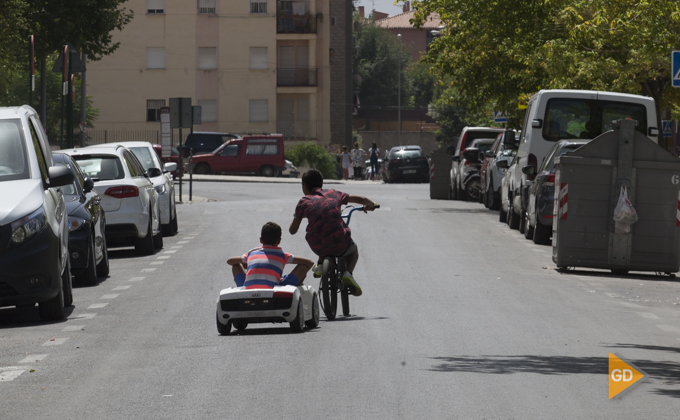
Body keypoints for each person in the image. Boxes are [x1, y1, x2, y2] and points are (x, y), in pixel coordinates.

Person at [289, 169, 377, 296]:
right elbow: (361, 198)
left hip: (317, 245)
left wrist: (301, 215)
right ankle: (348, 273)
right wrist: (372, 204)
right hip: (339, 243)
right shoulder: (334, 193)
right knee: (354, 250)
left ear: (304, 186)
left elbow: (292, 231)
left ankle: (320, 264)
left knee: (319, 233)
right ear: (321, 184)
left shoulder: (303, 202)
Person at [227, 222, 314, 289]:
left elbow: (229, 261)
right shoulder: (282, 255)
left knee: (236, 264)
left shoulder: (252, 252)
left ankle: (250, 283)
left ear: (261, 240)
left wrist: (250, 265)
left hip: (248, 289)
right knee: (303, 267)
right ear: (279, 241)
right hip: (274, 290)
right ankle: (297, 288)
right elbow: (309, 262)